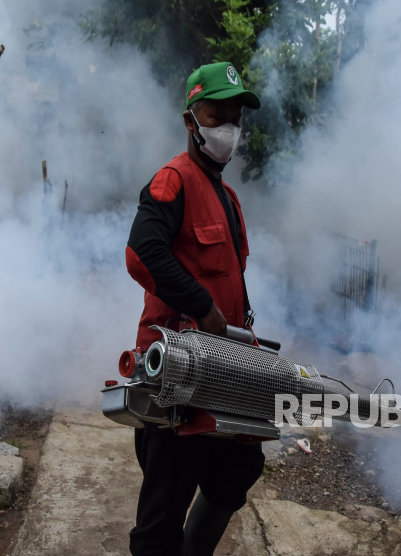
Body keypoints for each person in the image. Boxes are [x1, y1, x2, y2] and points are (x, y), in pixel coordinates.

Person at [124, 62, 265, 556]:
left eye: (235, 118)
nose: (227, 127)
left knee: (239, 470)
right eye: (216, 114)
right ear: (191, 121)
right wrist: (202, 307)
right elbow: (142, 251)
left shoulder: (227, 197)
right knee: (163, 509)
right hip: (178, 373)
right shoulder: (173, 181)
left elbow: (230, 277)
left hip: (222, 368)